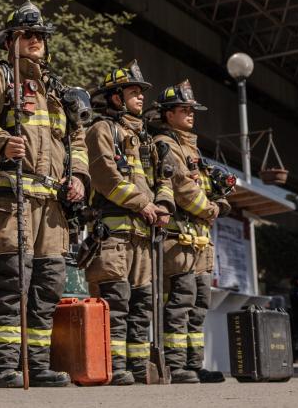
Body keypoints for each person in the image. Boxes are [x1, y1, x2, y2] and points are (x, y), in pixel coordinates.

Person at [0, 0, 89, 388]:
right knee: (10, 284)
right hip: (11, 198)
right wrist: (2, 142)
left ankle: (36, 364)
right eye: (27, 34)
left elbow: (77, 141)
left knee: (48, 284)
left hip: (52, 204)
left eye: (40, 35)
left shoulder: (58, 90)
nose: (36, 40)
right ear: (10, 42)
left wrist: (80, 178)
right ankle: (3, 367)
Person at [84, 61, 174, 385]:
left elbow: (163, 178)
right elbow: (106, 177)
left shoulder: (146, 139)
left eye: (140, 92)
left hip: (143, 234)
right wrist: (143, 204)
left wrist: (163, 205)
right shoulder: (101, 130)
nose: (140, 98)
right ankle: (115, 365)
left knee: (142, 304)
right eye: (134, 92)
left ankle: (138, 368)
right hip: (115, 232)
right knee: (117, 301)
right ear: (117, 98)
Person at [151, 80, 225, 384]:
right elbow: (182, 189)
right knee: (179, 304)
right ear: (169, 114)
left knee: (198, 306)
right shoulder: (164, 144)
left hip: (199, 241)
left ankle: (194, 365)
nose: (191, 114)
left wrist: (217, 196)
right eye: (184, 109)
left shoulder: (190, 146)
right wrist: (212, 209)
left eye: (192, 109)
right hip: (178, 240)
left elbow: (202, 186)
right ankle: (176, 366)